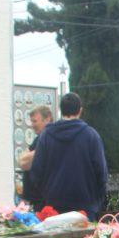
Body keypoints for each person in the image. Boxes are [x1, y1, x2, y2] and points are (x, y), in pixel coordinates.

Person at [29, 92, 108, 220]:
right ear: (80, 110)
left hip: (53, 207)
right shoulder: (91, 135)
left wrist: (46, 196)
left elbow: (36, 172)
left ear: (61, 110)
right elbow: (101, 173)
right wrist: (96, 201)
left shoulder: (46, 135)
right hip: (85, 206)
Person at [18, 105, 53, 210]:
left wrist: (28, 155)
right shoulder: (39, 139)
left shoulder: (48, 138)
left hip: (41, 201)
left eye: (35, 121)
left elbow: (23, 163)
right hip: (36, 200)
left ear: (47, 118)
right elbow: (22, 160)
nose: (32, 125)